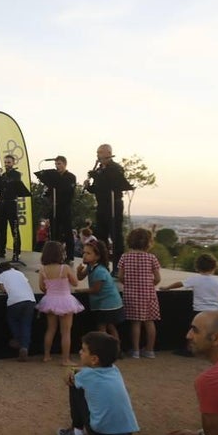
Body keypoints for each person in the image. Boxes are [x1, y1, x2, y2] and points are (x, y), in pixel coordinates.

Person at [55, 331, 140, 435]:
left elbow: (70, 377)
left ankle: (76, 433)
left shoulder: (84, 376)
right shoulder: (115, 370)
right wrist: (77, 369)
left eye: (83, 350)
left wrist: (72, 370)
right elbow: (89, 371)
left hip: (101, 434)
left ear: (94, 359)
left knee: (74, 385)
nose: (80, 352)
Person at [84, 144, 132, 271]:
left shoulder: (115, 168)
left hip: (113, 204)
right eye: (97, 153)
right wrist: (89, 186)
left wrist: (96, 175)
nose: (98, 155)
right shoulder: (99, 169)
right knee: (101, 236)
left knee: (116, 236)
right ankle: (103, 265)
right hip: (101, 206)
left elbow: (112, 183)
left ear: (108, 153)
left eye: (100, 152)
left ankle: (118, 267)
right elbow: (98, 188)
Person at [37, 241, 85, 366]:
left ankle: (46, 356)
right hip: (65, 300)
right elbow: (75, 283)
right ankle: (65, 359)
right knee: (66, 332)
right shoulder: (65, 268)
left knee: (50, 329)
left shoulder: (43, 269)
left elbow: (42, 287)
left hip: (50, 300)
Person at [117, 228, 162, 360]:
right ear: (148, 242)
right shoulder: (151, 257)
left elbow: (120, 276)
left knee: (135, 323)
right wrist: (149, 285)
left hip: (131, 293)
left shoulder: (125, 257)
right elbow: (158, 278)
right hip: (148, 294)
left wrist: (129, 283)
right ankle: (150, 350)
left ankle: (135, 351)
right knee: (149, 322)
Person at [77, 239, 123, 349]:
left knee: (102, 328)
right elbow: (80, 277)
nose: (84, 255)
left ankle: (107, 349)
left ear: (97, 256)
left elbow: (96, 289)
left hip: (108, 305)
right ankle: (115, 349)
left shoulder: (100, 271)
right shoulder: (90, 267)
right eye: (84, 252)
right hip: (104, 303)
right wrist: (79, 271)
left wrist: (82, 291)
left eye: (88, 253)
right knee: (110, 326)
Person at [33, 156, 76, 261]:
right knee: (54, 231)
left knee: (67, 231)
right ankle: (55, 255)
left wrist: (57, 184)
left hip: (65, 207)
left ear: (65, 164)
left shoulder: (70, 177)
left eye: (59, 164)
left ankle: (69, 256)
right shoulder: (53, 178)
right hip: (54, 207)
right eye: (56, 164)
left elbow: (69, 191)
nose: (57, 166)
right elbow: (49, 191)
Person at [0, 261, 36, 362]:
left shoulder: (1, 275)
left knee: (12, 319)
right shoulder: (20, 273)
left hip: (15, 300)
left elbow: (2, 288)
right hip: (30, 300)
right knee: (26, 324)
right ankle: (24, 347)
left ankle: (18, 339)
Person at [0, 154, 23, 263]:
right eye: (5, 162)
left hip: (11, 204)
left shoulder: (16, 174)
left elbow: (12, 184)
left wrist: (1, 177)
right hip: (1, 204)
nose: (7, 164)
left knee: (14, 228)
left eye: (9, 162)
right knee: (1, 228)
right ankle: (1, 250)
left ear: (13, 163)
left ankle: (16, 252)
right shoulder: (2, 175)